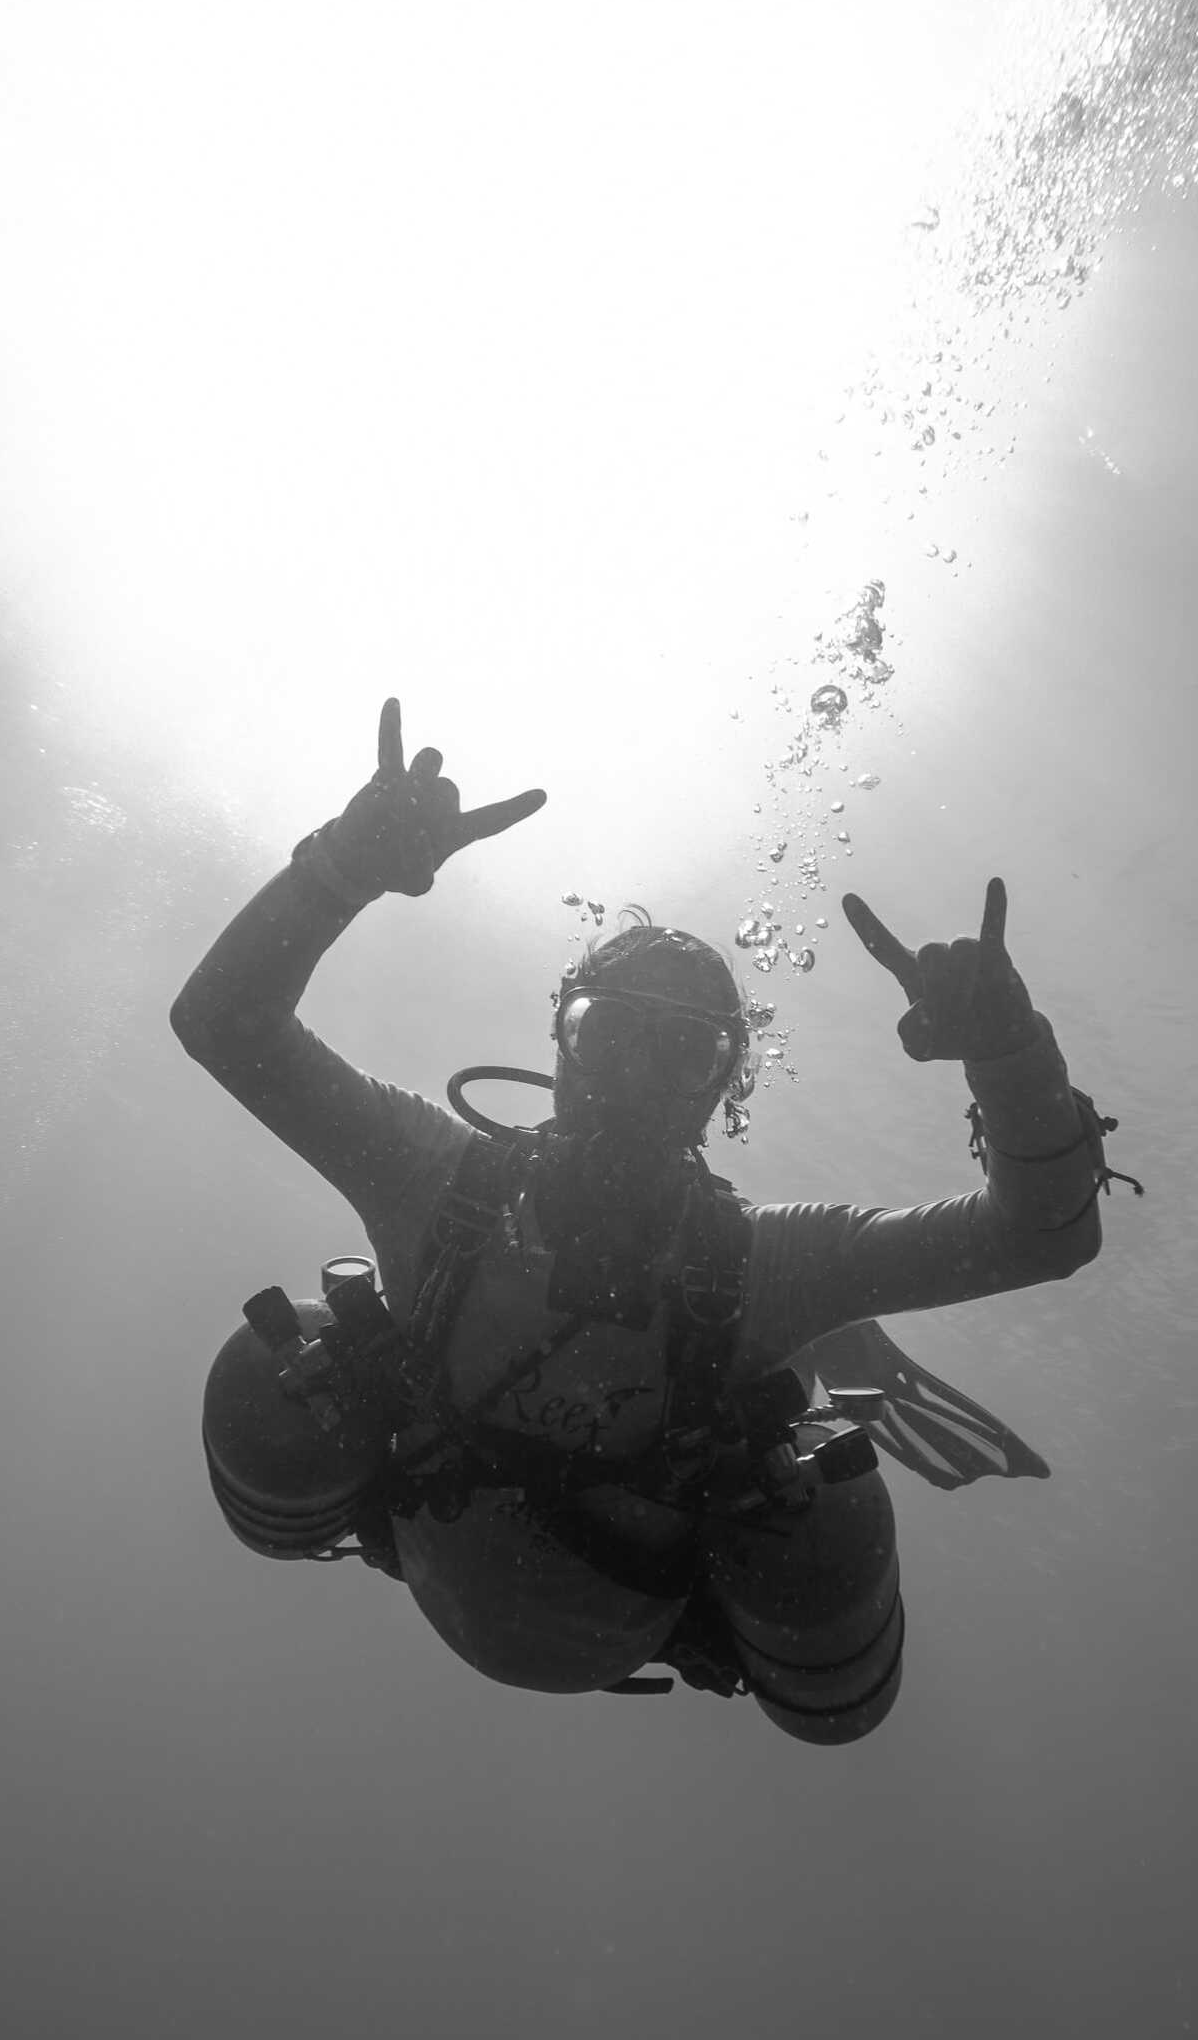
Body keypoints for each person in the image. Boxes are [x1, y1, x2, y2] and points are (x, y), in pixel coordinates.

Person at [173, 698, 1134, 1744]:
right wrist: (341, 864)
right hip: (538, 1580)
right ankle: (823, 1364)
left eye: (682, 1053)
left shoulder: (763, 1261)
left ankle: (822, 1382)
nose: (637, 1079)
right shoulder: (437, 1183)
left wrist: (1007, 1051)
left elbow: (1042, 1236)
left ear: (724, 1088)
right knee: (272, 1368)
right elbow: (220, 1025)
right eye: (612, 1034)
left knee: (826, 1508)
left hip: (601, 1600)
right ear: (560, 1044)